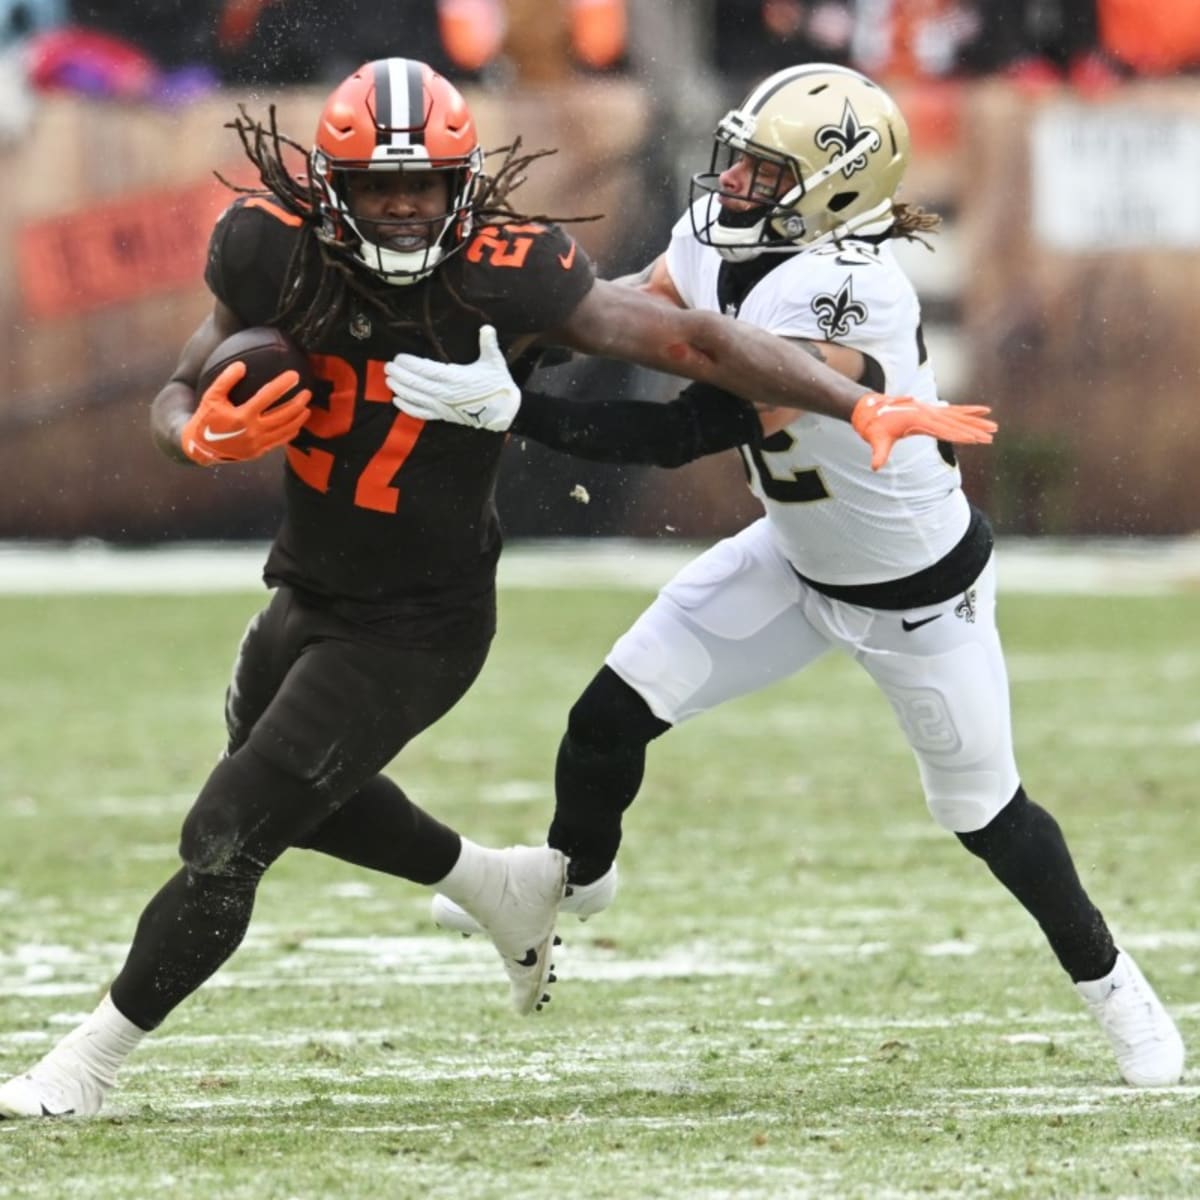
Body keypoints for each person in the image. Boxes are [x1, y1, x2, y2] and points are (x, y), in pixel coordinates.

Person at [0, 57, 994, 1121]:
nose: (400, 204)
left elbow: (690, 338)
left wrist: (853, 403)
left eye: (421, 184)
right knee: (296, 795)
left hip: (419, 624)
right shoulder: (267, 248)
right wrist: (190, 439)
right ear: (329, 188)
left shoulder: (505, 270)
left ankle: (89, 1065)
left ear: (459, 185)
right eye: (378, 185)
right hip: (307, 585)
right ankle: (495, 885)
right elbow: (181, 382)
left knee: (226, 831)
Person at [391, 63, 1185, 1089]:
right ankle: (571, 880)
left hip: (915, 600)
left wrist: (515, 412)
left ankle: (1116, 986)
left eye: (764, 176)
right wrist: (504, 348)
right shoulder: (731, 240)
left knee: (989, 818)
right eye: (739, 163)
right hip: (795, 558)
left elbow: (694, 428)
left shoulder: (851, 290)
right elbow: (619, 313)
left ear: (837, 193)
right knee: (605, 719)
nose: (731, 187)